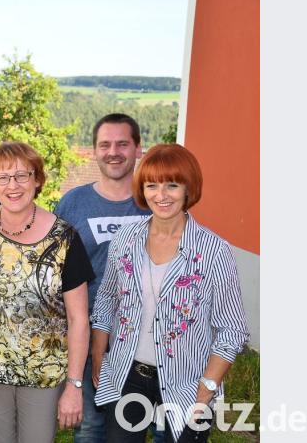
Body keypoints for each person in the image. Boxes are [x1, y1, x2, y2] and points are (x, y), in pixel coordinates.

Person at [90, 144, 249, 442]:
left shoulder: (214, 251)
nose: (161, 195)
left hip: (186, 387)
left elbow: (232, 329)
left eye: (172, 185)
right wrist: (99, 354)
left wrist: (207, 390)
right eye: (152, 185)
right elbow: (108, 297)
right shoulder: (126, 238)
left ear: (188, 188)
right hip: (127, 378)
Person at [0, 141, 94, 442]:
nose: (12, 185)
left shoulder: (64, 238)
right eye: (2, 177)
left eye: (22, 175)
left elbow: (79, 318)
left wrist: (75, 385)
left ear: (37, 179)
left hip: (44, 373)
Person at [54, 113, 151, 443]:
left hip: (144, 340)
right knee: (92, 428)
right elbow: (55, 272)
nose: (114, 152)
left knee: (135, 426)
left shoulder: (155, 202)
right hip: (88, 333)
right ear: (94, 150)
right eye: (105, 144)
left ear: (138, 149)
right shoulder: (72, 204)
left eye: (123, 144)